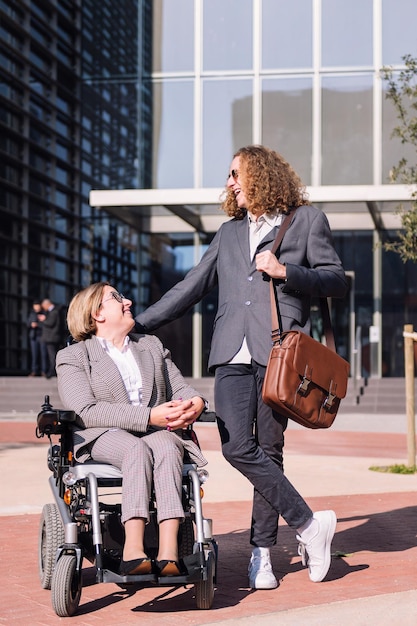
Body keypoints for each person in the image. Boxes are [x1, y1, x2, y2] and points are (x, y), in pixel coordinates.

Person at [134, 145, 349, 589]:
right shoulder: (229, 233)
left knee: (269, 450)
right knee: (236, 448)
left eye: (236, 174)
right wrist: (137, 324)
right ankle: (310, 524)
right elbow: (191, 285)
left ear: (261, 174)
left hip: (279, 355)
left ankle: (262, 555)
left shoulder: (307, 221)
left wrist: (286, 270)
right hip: (231, 353)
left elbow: (335, 279)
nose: (230, 183)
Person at [55, 282, 207, 576]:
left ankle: (169, 552)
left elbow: (180, 387)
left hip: (157, 433)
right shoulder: (74, 357)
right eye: (117, 298)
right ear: (96, 314)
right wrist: (150, 416)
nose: (128, 302)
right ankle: (133, 549)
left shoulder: (150, 345)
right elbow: (86, 411)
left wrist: (197, 401)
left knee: (167, 445)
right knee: (135, 448)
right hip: (102, 435)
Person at [39, 298, 62, 378]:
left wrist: (44, 320)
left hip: (51, 337)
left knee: (52, 355)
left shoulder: (54, 312)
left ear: (46, 305)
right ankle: (53, 370)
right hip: (53, 337)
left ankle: (52, 370)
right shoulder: (55, 311)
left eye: (43, 306)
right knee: (53, 354)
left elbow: (50, 323)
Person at [27, 300, 48, 376]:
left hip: (42, 336)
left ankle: (44, 371)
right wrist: (31, 324)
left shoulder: (45, 314)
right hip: (34, 337)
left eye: (37, 307)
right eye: (35, 307)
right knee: (34, 355)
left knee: (43, 354)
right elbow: (27, 323)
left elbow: (47, 325)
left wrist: (38, 324)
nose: (36, 309)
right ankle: (34, 370)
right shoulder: (32, 314)